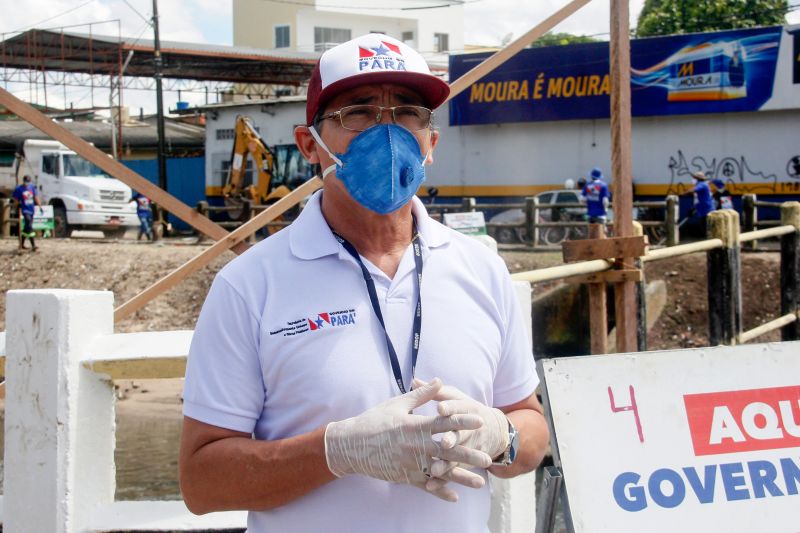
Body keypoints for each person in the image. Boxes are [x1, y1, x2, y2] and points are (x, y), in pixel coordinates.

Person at [179, 33, 549, 532]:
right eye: (358, 112)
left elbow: (531, 428)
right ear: (310, 144)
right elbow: (203, 482)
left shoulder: (481, 268)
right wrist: (338, 451)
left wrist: (499, 434)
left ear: (431, 144)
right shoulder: (250, 285)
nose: (388, 131)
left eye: (408, 113)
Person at [12, 175, 42, 251]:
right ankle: (33, 245)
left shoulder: (31, 187)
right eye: (26, 181)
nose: (27, 183)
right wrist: (16, 207)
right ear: (23, 181)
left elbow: (35, 197)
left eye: (28, 181)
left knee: (27, 227)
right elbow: (16, 199)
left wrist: (40, 206)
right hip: (25, 210)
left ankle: (21, 244)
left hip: (31, 209)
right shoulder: (19, 189)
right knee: (28, 223)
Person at [686, 171, 715, 236]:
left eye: (694, 178)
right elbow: (697, 200)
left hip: (707, 211)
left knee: (707, 229)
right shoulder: (700, 186)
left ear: (697, 179)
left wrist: (683, 193)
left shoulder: (702, 185)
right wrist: (693, 208)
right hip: (702, 210)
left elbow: (692, 191)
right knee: (704, 229)